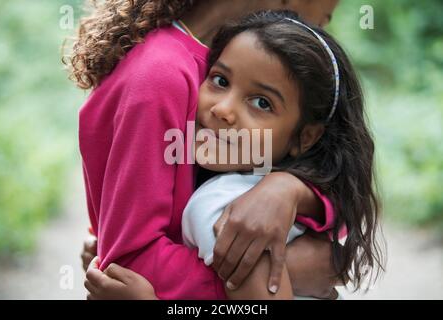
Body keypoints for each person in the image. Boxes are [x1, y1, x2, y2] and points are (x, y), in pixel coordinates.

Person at [83, 9, 384, 300]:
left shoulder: (223, 211)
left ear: (306, 137)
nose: (223, 110)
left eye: (262, 103)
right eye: (220, 81)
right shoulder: (256, 186)